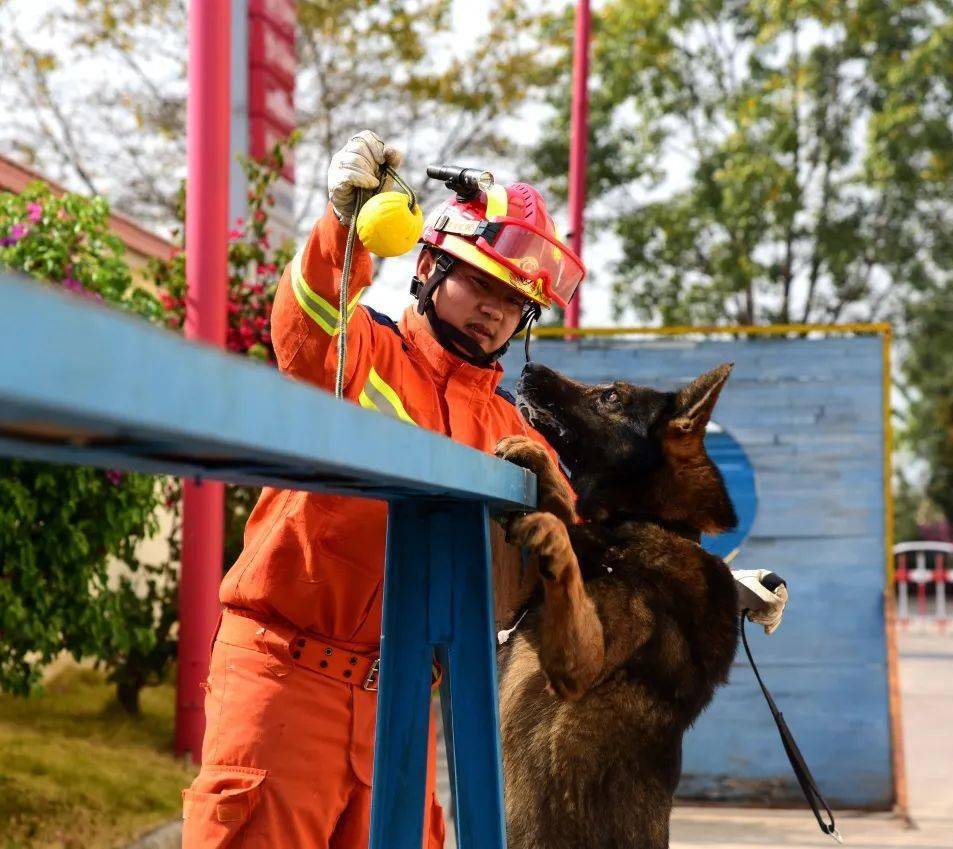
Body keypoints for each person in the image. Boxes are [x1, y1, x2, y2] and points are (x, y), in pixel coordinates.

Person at [180, 130, 787, 848]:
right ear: (430, 267)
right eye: (481, 283)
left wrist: (711, 582)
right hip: (285, 676)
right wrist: (343, 227)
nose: (495, 311)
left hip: (400, 701)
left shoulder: (508, 429)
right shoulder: (363, 351)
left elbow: (587, 554)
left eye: (515, 300)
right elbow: (306, 337)